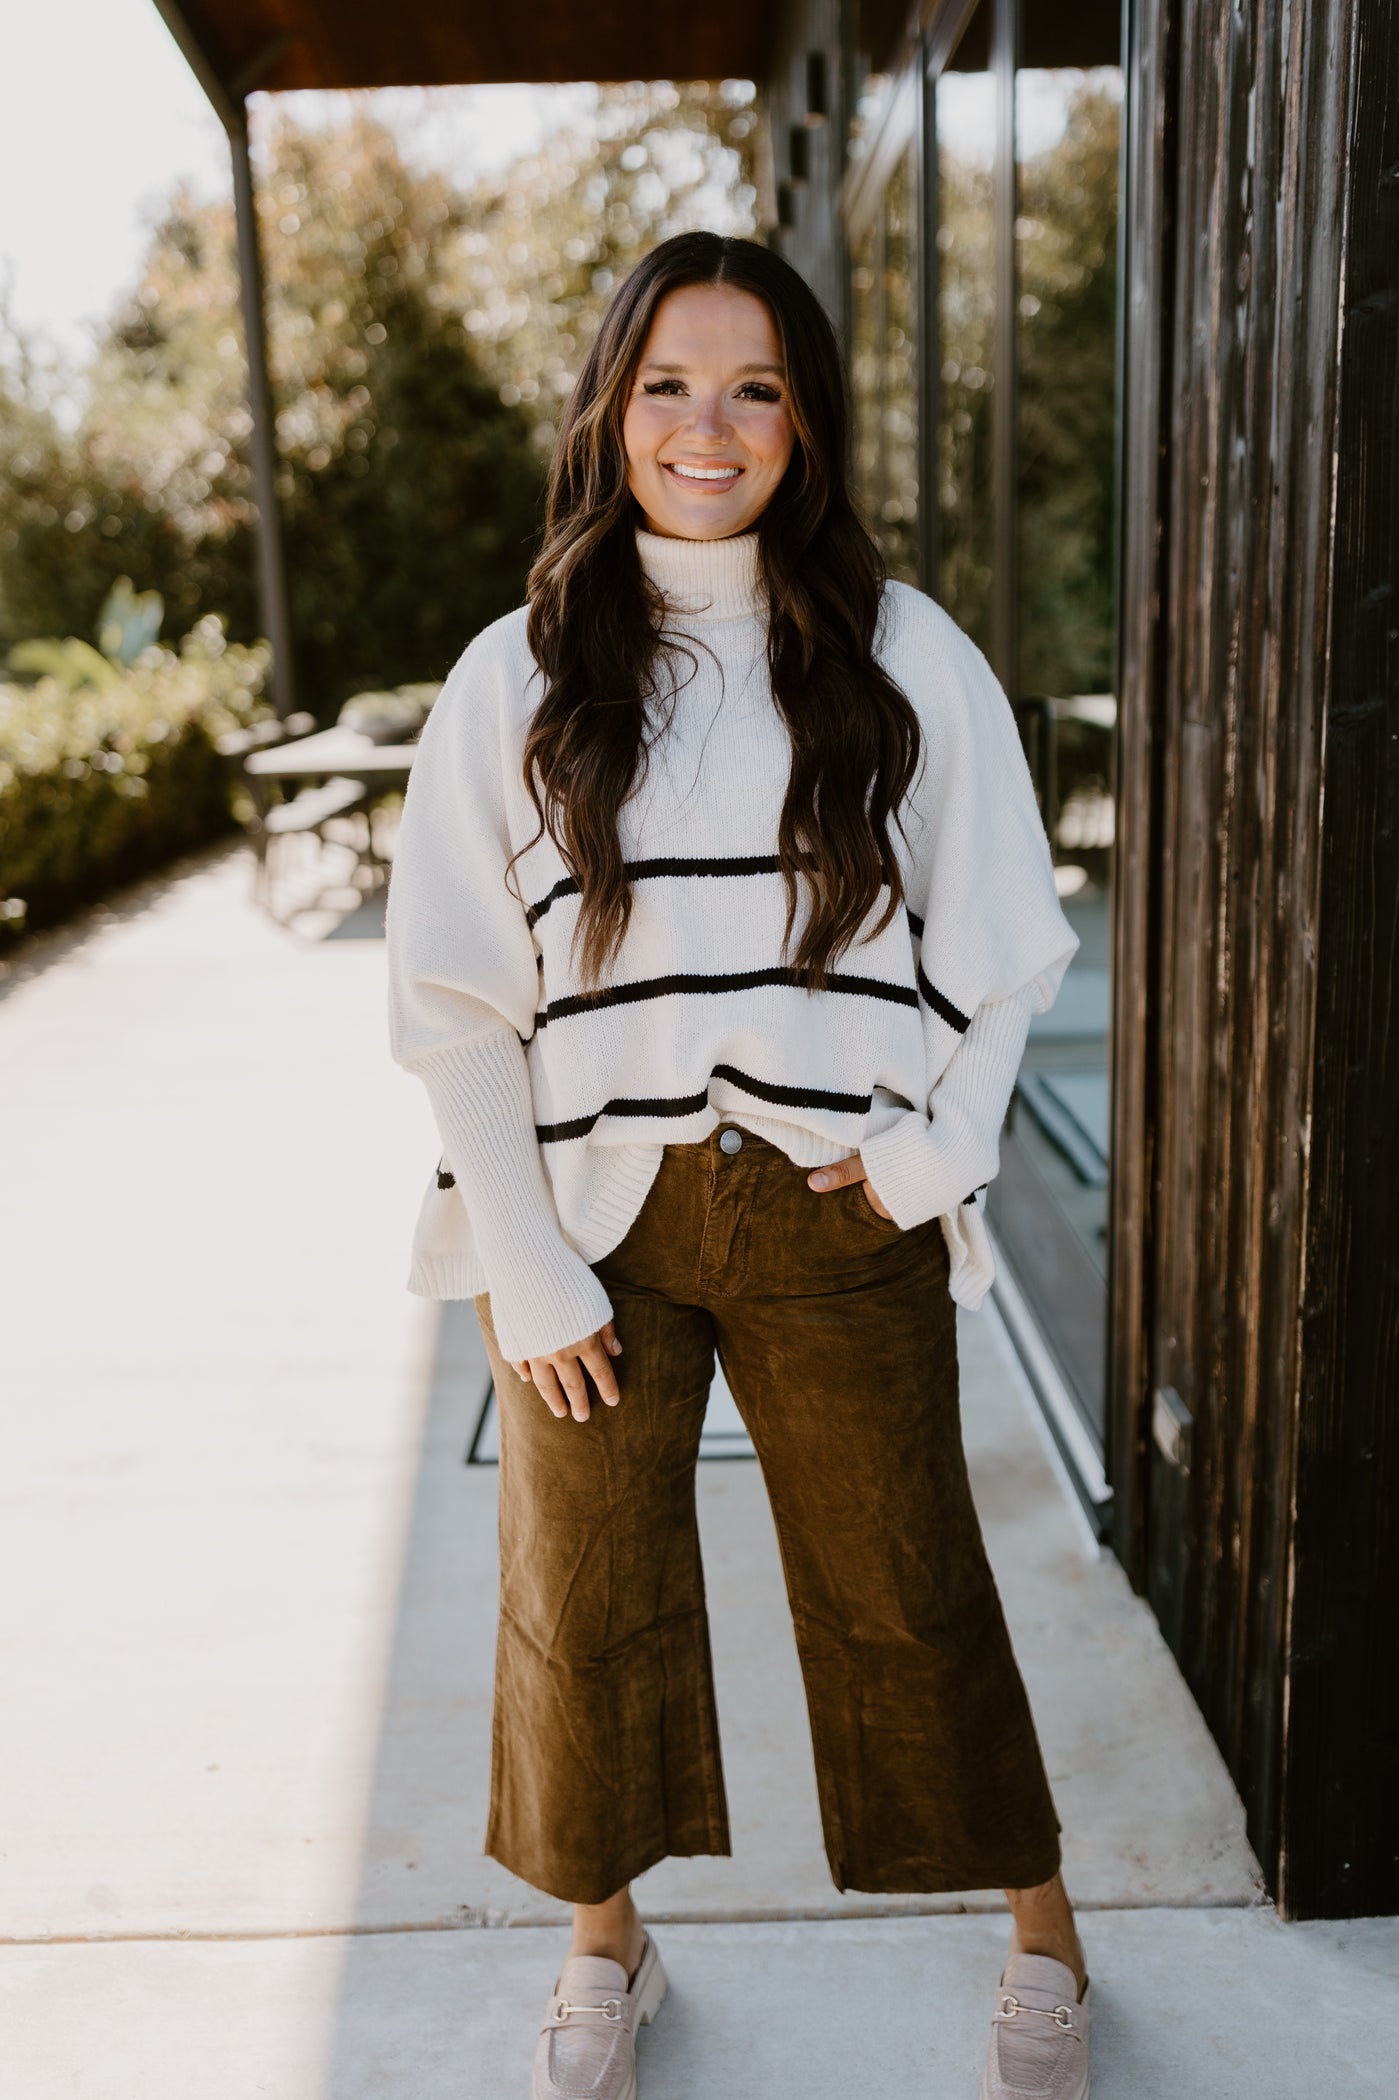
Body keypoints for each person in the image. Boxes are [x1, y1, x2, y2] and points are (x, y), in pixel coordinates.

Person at [387, 231, 1089, 2100]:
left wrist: (935, 1150)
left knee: (907, 1583)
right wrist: (520, 1261)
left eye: (757, 386)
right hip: (589, 1232)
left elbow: (1007, 940)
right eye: (671, 384)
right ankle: (607, 1949)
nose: (712, 425)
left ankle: (1045, 1933)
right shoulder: (518, 670)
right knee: (583, 1602)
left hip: (829, 1212)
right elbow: (454, 995)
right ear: (613, 408)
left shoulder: (898, 646)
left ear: (807, 420)